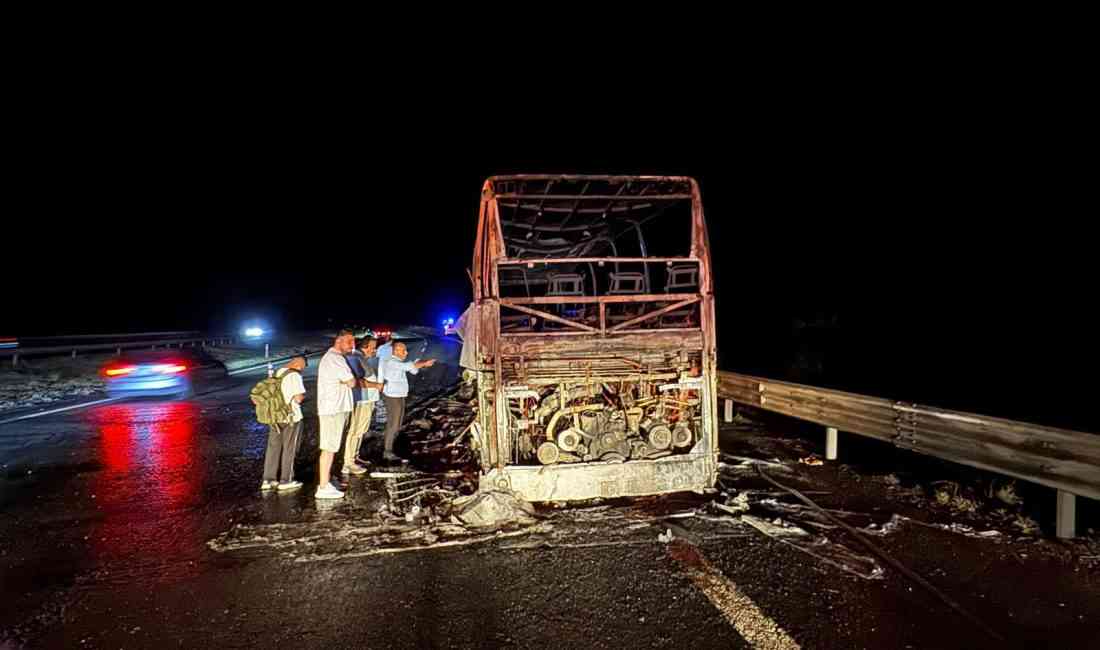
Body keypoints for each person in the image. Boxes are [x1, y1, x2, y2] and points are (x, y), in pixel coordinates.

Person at [315, 330, 357, 499]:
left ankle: (327, 480)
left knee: (332, 447)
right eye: (349, 341)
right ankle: (323, 487)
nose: (352, 345)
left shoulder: (334, 358)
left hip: (335, 408)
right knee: (329, 448)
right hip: (333, 409)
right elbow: (352, 382)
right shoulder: (335, 358)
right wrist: (347, 380)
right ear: (338, 340)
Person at [379, 341, 436, 463]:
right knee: (393, 424)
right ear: (395, 351)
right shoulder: (391, 362)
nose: (406, 352)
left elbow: (413, 370)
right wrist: (424, 363)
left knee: (397, 424)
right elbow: (410, 367)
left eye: (406, 350)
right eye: (403, 350)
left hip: (399, 395)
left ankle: (391, 448)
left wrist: (418, 364)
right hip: (392, 396)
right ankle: (387, 451)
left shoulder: (398, 362)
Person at [260, 356, 307, 492]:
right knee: (289, 448)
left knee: (273, 447)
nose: (301, 370)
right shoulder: (294, 375)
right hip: (291, 417)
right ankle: (286, 480)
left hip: (274, 416)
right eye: (302, 368)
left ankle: (268, 479)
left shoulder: (278, 372)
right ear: (298, 364)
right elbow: (298, 398)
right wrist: (303, 395)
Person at [344, 337, 384, 475]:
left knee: (361, 430)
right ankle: (348, 463)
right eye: (373, 347)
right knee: (355, 430)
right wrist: (376, 385)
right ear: (366, 346)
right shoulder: (356, 358)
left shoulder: (362, 358)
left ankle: (354, 457)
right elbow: (357, 381)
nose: (375, 349)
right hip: (361, 400)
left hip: (367, 400)